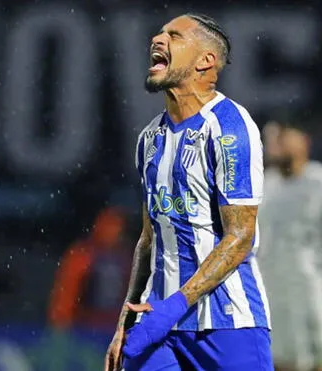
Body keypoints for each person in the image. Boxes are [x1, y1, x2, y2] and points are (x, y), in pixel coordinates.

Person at [104, 13, 272, 371]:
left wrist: (175, 307)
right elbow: (148, 239)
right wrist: (125, 324)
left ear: (205, 61)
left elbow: (240, 236)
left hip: (226, 322)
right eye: (160, 32)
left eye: (174, 36)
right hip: (156, 323)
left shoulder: (230, 127)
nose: (157, 38)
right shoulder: (149, 139)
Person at [257, 118, 322, 371]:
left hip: (313, 286)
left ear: (303, 139)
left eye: (282, 137)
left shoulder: (318, 183)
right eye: (271, 139)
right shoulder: (261, 187)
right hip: (273, 288)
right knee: (279, 359)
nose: (275, 145)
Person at [48, 207, 131, 333]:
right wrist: (61, 321)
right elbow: (67, 291)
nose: (115, 233)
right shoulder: (83, 255)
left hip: (113, 326)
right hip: (85, 326)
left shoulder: (127, 257)